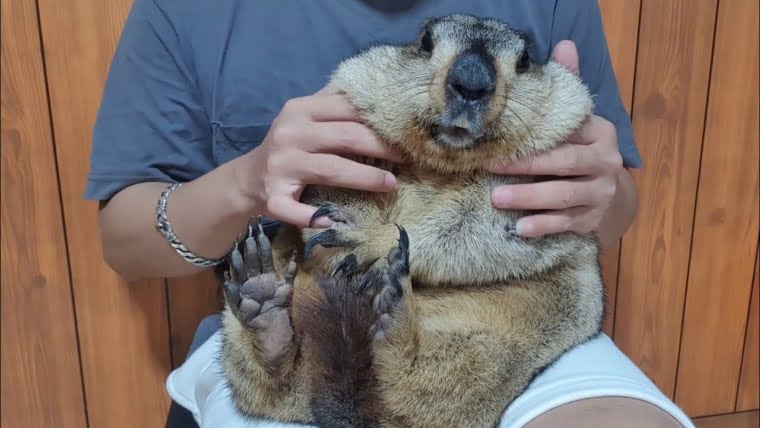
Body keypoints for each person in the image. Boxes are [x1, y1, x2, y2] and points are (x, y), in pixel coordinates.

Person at [85, 0, 694, 426]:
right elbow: (124, 243)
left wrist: (600, 192)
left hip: (503, 319)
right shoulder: (184, 11)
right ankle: (285, 357)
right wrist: (248, 180)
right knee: (283, 356)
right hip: (311, 309)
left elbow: (615, 213)